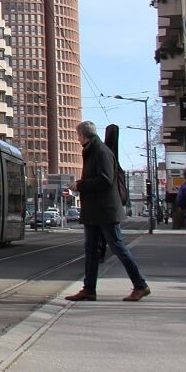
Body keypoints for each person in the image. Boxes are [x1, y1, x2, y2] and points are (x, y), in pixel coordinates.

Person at [65, 121, 150, 302]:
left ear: (83, 135)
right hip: (95, 211)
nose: (77, 138)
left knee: (117, 246)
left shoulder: (101, 151)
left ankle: (140, 285)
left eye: (78, 135)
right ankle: (89, 289)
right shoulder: (92, 150)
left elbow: (105, 179)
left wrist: (80, 185)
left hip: (104, 210)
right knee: (91, 250)